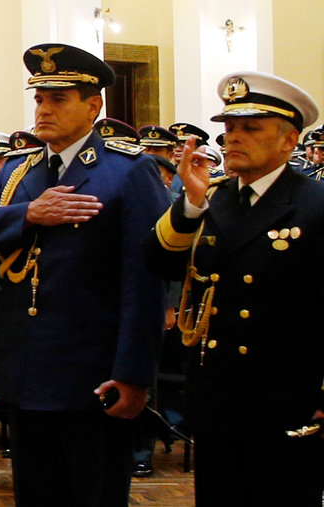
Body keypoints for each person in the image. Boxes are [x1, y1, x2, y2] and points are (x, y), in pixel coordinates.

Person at [0, 43, 169, 506]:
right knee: (37, 494)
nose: (43, 109)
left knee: (94, 494)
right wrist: (29, 214)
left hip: (91, 369)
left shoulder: (129, 171)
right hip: (26, 371)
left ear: (94, 106)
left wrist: (134, 374)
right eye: (39, 99)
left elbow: (143, 280)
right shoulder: (18, 173)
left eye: (58, 99)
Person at [144, 71, 324, 506]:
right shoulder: (214, 197)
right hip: (218, 395)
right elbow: (159, 261)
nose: (233, 139)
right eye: (229, 129)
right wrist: (189, 205)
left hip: (288, 396)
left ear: (289, 140)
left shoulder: (315, 204)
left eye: (250, 128)